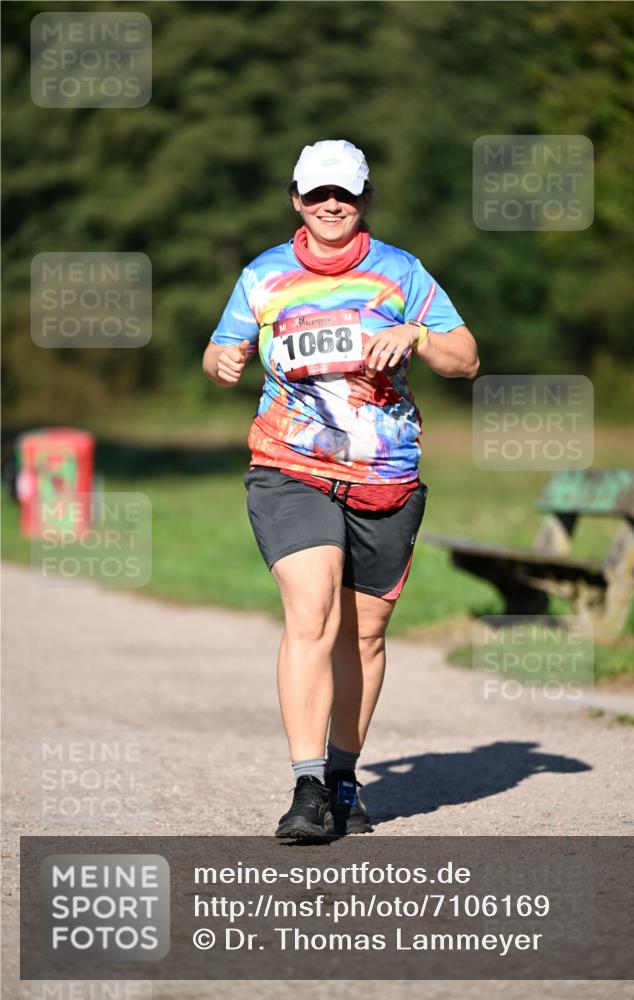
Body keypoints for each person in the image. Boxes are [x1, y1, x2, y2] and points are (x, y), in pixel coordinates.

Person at [203, 139, 479, 840]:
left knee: (363, 633)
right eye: (318, 193)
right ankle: (303, 789)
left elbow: (466, 360)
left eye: (346, 194)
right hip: (288, 467)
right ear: (296, 199)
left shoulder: (401, 273)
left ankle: (342, 778)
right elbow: (219, 348)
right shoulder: (263, 276)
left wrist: (416, 334)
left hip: (385, 477)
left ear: (363, 200)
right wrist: (222, 357)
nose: (332, 204)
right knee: (312, 612)